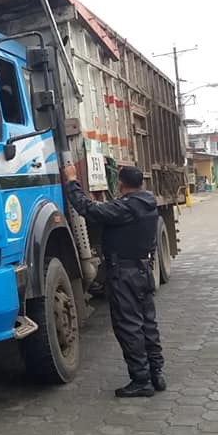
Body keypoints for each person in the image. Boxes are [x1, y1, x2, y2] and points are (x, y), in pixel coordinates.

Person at [63, 164, 166, 398]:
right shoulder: (147, 203)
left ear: (120, 184)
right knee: (147, 323)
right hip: (143, 271)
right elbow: (107, 211)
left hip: (124, 274)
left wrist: (71, 181)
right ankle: (156, 373)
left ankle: (141, 380)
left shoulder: (126, 208)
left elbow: (86, 209)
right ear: (141, 183)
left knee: (129, 326)